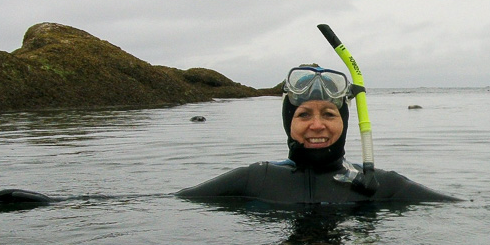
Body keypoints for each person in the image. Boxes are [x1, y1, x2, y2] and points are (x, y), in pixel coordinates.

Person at [174, 63, 453, 206]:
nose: (317, 125)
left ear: (343, 122)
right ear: (289, 122)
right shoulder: (255, 179)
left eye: (329, 115)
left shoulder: (381, 186)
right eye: (304, 114)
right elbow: (179, 201)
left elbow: (457, 207)